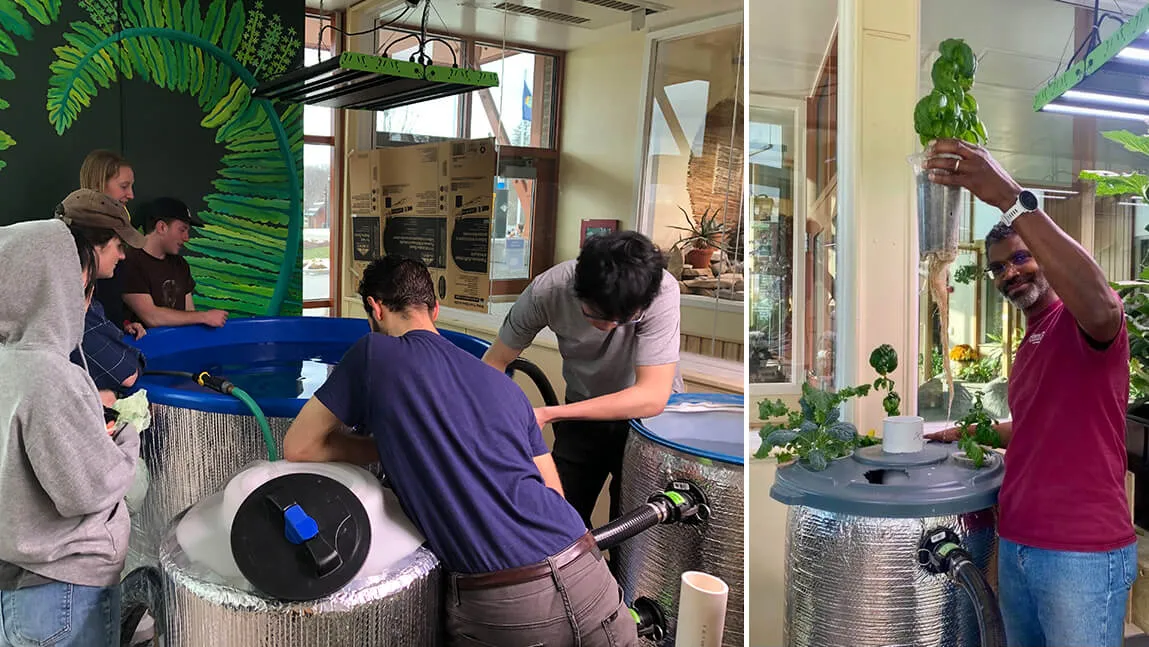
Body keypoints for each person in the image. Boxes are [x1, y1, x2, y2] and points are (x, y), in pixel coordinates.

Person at [283, 256, 638, 647]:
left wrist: (386, 448)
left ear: (375, 308)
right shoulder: (504, 386)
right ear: (434, 309)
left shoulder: (372, 354)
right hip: (587, 569)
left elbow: (299, 446)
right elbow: (554, 494)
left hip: (507, 603)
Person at [923, 138, 1134, 647]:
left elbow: (1104, 305)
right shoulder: (1032, 339)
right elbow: (1039, 429)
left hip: (1081, 552)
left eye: (1020, 258)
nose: (1008, 274)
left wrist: (1010, 198)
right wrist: (969, 431)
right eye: (998, 267)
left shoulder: (1085, 325)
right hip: (1018, 541)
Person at [0, 218, 141, 647]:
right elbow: (87, 491)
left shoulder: (10, 364)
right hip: (63, 593)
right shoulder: (51, 376)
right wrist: (125, 441)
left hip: (16, 581)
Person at [482, 230, 682, 529]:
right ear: (578, 289)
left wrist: (549, 414)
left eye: (622, 320)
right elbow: (495, 363)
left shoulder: (661, 291)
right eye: (596, 316)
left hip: (648, 425)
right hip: (582, 411)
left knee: (632, 530)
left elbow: (651, 396)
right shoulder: (548, 290)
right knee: (560, 518)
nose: (608, 327)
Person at [58, 189, 149, 407]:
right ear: (92, 247)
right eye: (119, 246)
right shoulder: (73, 309)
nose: (122, 255)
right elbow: (127, 374)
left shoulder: (60, 290)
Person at [118, 196, 227, 329]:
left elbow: (189, 313)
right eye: (182, 230)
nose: (186, 238)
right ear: (162, 227)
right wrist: (205, 316)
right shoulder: (130, 261)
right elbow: (151, 317)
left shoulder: (180, 264)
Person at [80, 149, 138, 332]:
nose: (131, 195)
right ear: (99, 184)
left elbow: (111, 294)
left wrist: (123, 324)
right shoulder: (77, 234)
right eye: (124, 186)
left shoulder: (116, 226)